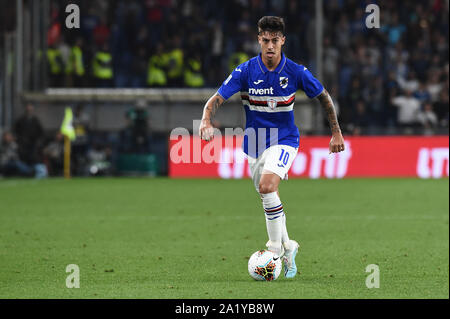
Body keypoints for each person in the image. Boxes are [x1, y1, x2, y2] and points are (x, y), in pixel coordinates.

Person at [199, 16, 345, 279]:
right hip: (254, 143)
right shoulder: (245, 71)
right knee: (268, 196)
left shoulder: (296, 72)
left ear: (282, 41)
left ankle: (274, 252)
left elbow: (324, 97)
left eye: (275, 40)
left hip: (285, 140)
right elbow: (216, 98)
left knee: (268, 187)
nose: (270, 45)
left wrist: (336, 132)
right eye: (265, 40)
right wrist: (206, 120)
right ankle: (290, 247)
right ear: (259, 40)